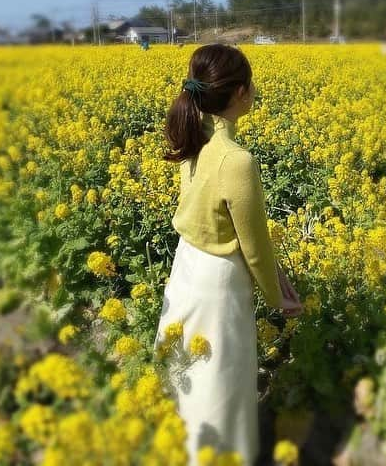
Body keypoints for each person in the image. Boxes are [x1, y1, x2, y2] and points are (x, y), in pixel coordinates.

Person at [156, 43, 303, 465]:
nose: (255, 90)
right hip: (219, 282)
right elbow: (254, 246)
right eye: (250, 84)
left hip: (186, 268)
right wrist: (278, 297)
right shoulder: (236, 160)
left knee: (188, 371)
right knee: (220, 380)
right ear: (239, 93)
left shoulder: (193, 139)